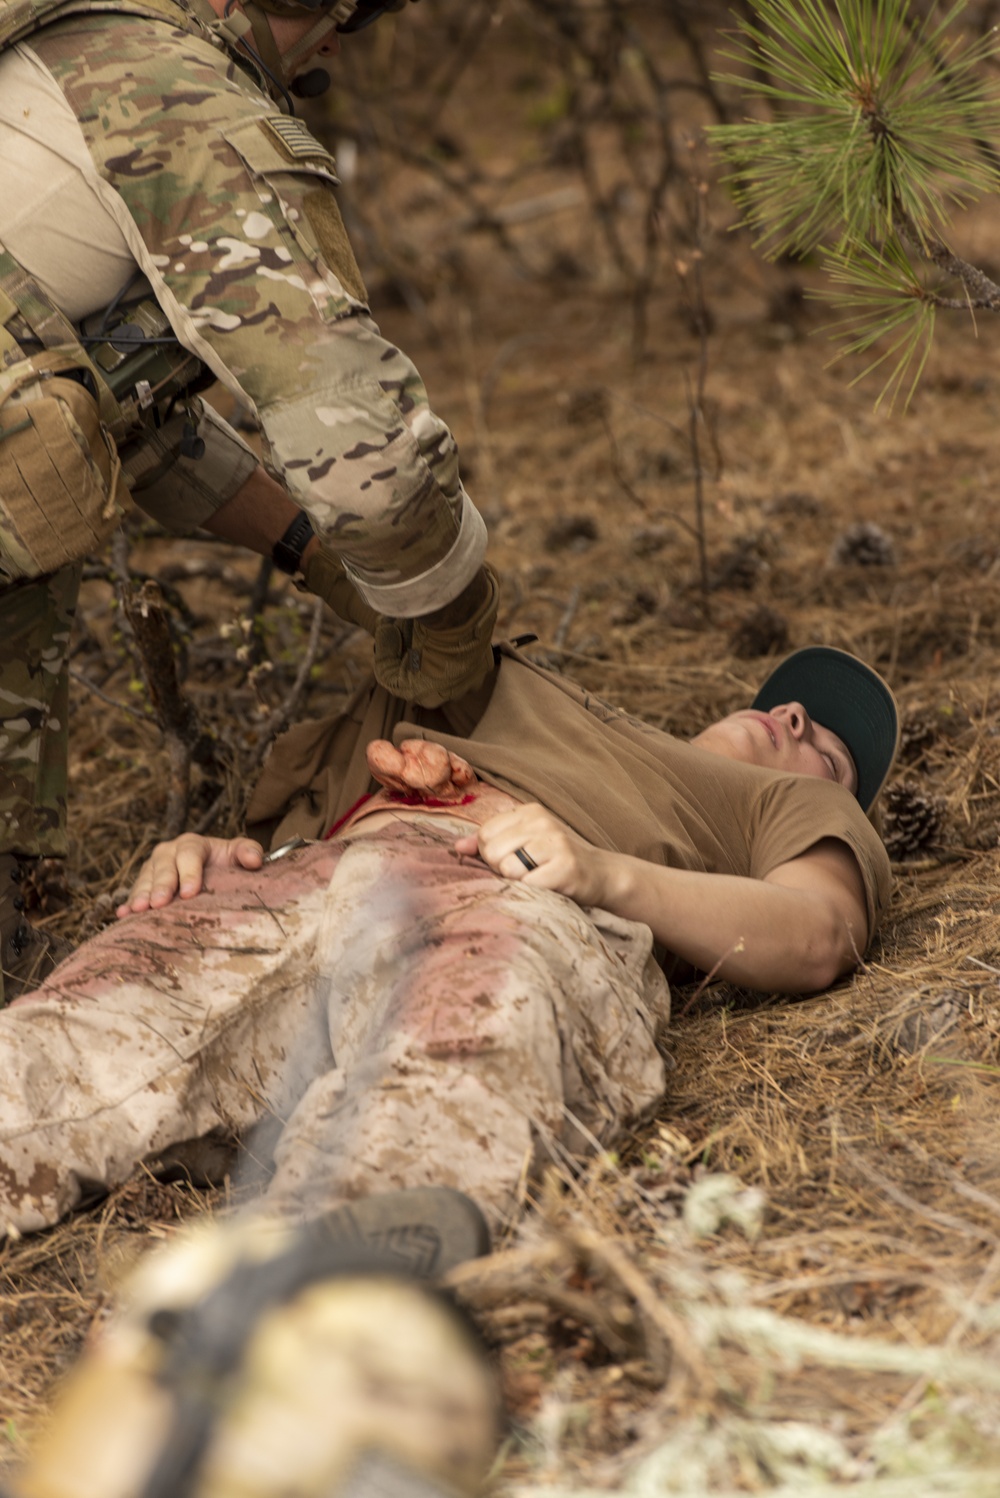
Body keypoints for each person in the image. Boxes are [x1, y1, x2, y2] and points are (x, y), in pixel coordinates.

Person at [0, 641, 899, 1245]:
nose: (793, 718)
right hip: (305, 876)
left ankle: (291, 1360)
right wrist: (211, 850)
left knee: (424, 1132)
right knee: (45, 1059)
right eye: (794, 707)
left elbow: (819, 935)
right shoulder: (517, 681)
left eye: (828, 749)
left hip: (511, 906)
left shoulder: (769, 807)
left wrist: (603, 875)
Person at [0, 0, 498, 997]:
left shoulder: (78, 62)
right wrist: (449, 606)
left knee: (41, 434)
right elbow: (370, 455)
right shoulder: (175, 98)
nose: (326, 57)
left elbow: (131, 419)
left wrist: (315, 555)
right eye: (337, 25)